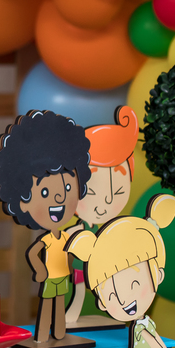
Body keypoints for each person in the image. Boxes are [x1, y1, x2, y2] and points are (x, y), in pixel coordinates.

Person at [0, 110, 91, 344]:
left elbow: (68, 253)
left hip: (62, 276)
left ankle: (59, 333)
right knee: (47, 304)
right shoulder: (46, 239)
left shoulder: (65, 236)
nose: (60, 198)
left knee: (59, 304)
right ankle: (43, 335)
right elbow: (33, 253)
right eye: (45, 192)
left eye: (69, 188)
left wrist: (70, 265)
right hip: (49, 277)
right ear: (22, 201)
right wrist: (40, 270)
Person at [67, 194, 175, 348]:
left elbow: (152, 338)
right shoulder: (142, 326)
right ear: (101, 303)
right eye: (111, 295)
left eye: (135, 284)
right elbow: (153, 340)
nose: (123, 299)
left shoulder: (142, 324)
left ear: (158, 275)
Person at [68, 105, 139, 323]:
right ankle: (75, 307)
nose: (107, 201)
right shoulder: (81, 228)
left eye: (118, 191)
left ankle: (119, 308)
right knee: (79, 285)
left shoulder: (116, 230)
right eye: (91, 192)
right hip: (81, 265)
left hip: (110, 267)